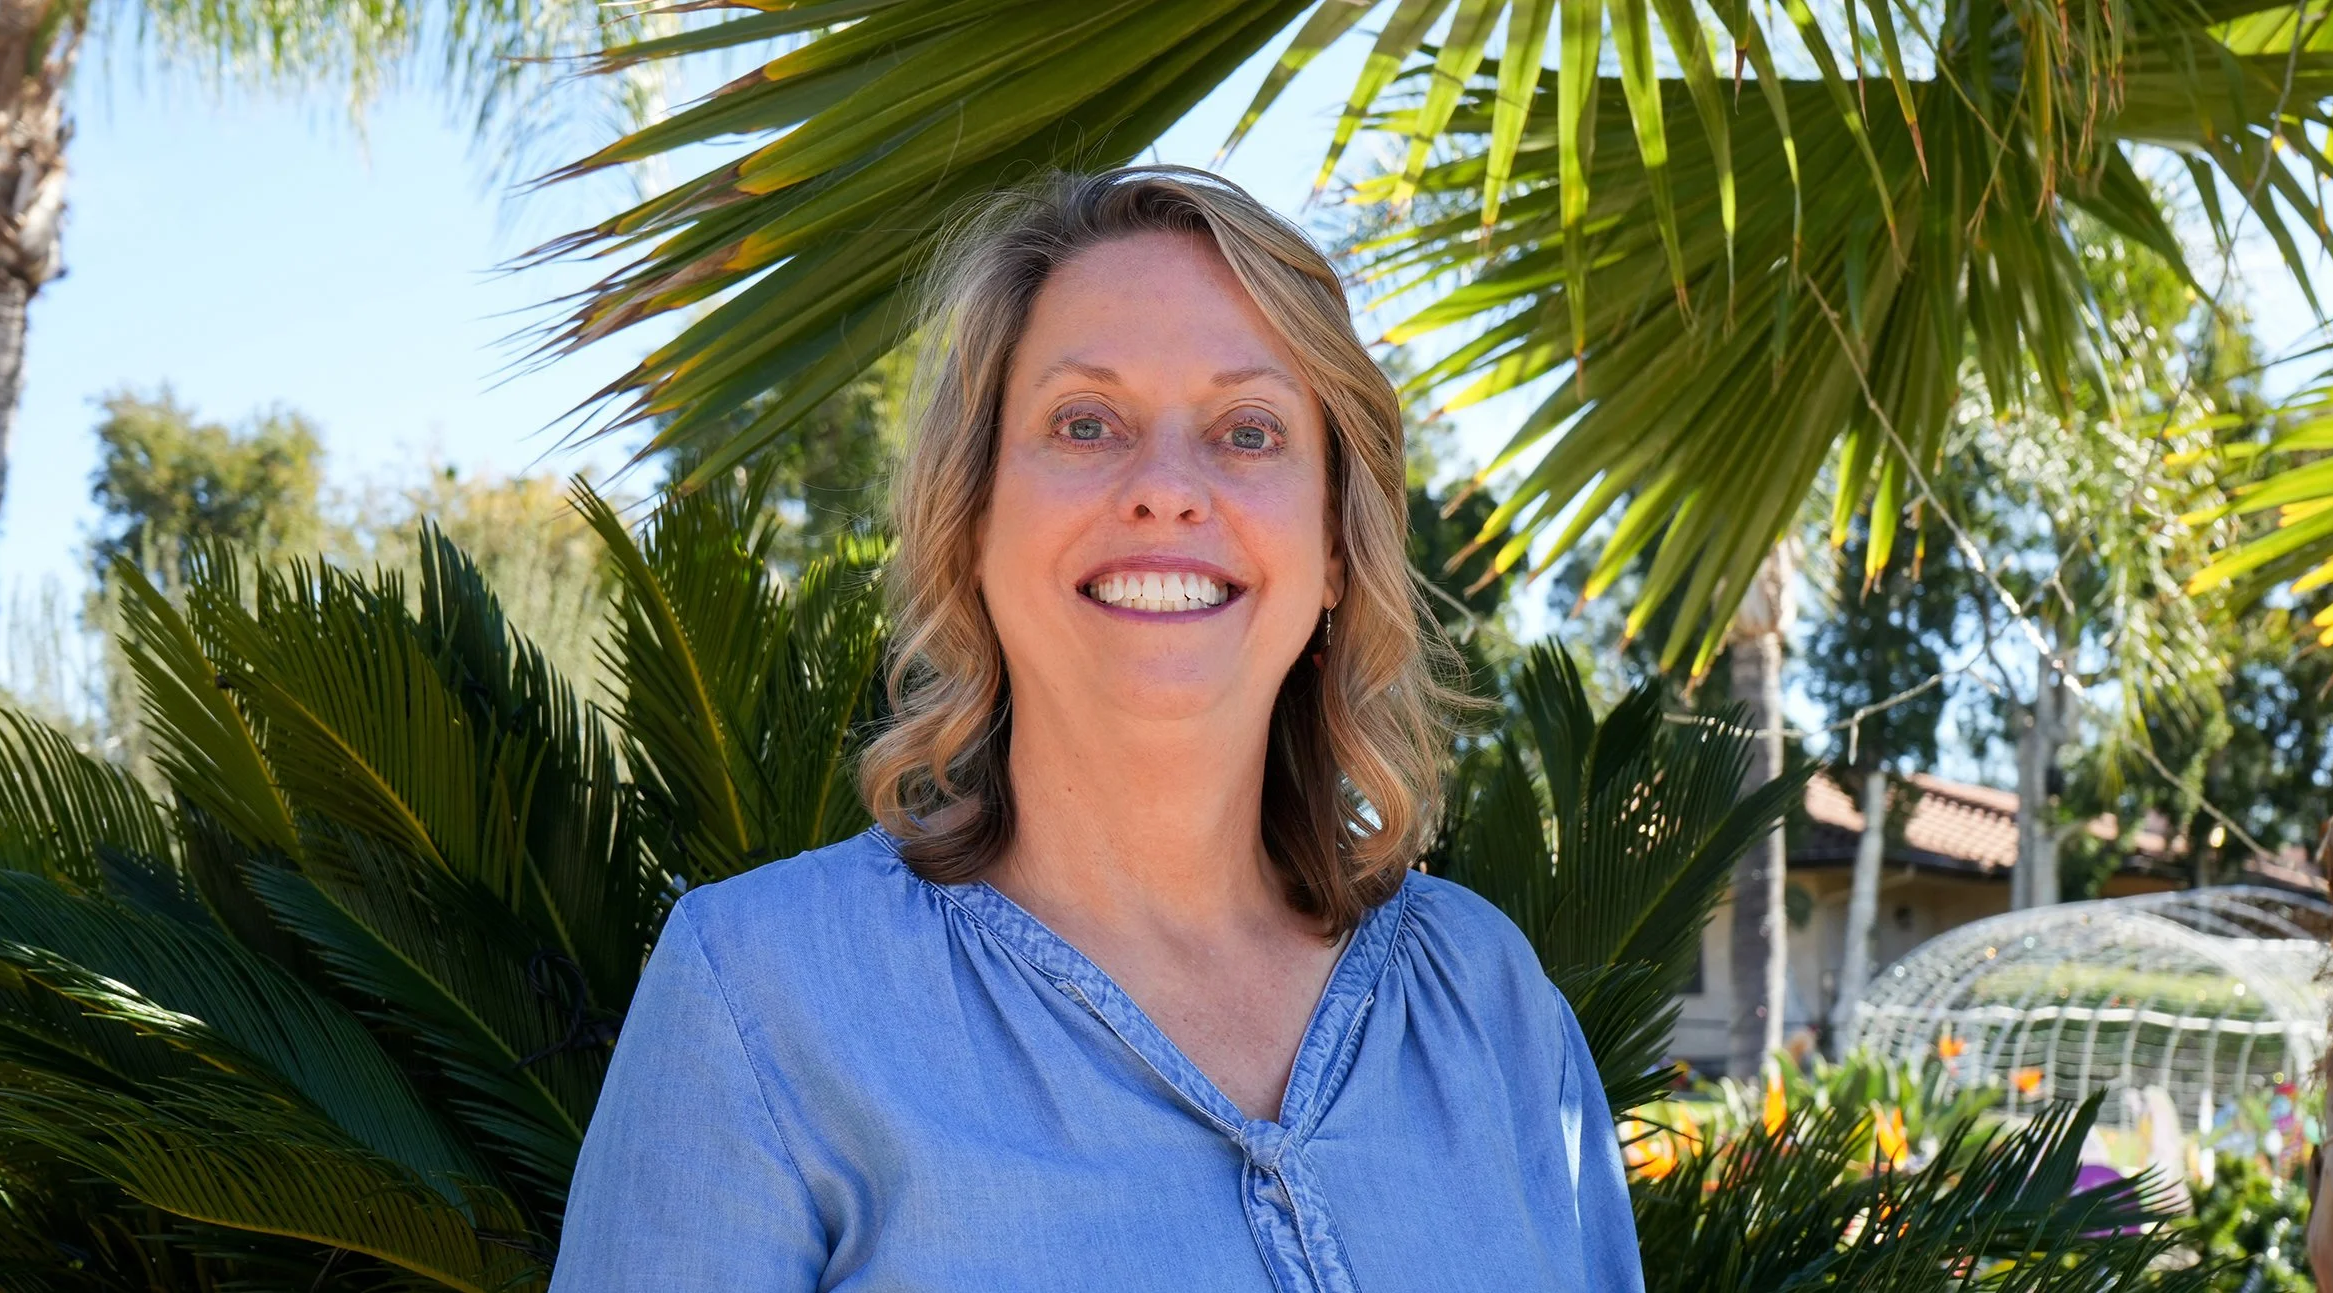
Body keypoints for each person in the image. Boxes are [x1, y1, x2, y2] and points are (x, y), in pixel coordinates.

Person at [550, 166, 1645, 1291]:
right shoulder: (760, 992)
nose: (1166, 489)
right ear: (970, 520)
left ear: (1332, 548)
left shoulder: (1488, 1001)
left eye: (1248, 430)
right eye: (1085, 423)